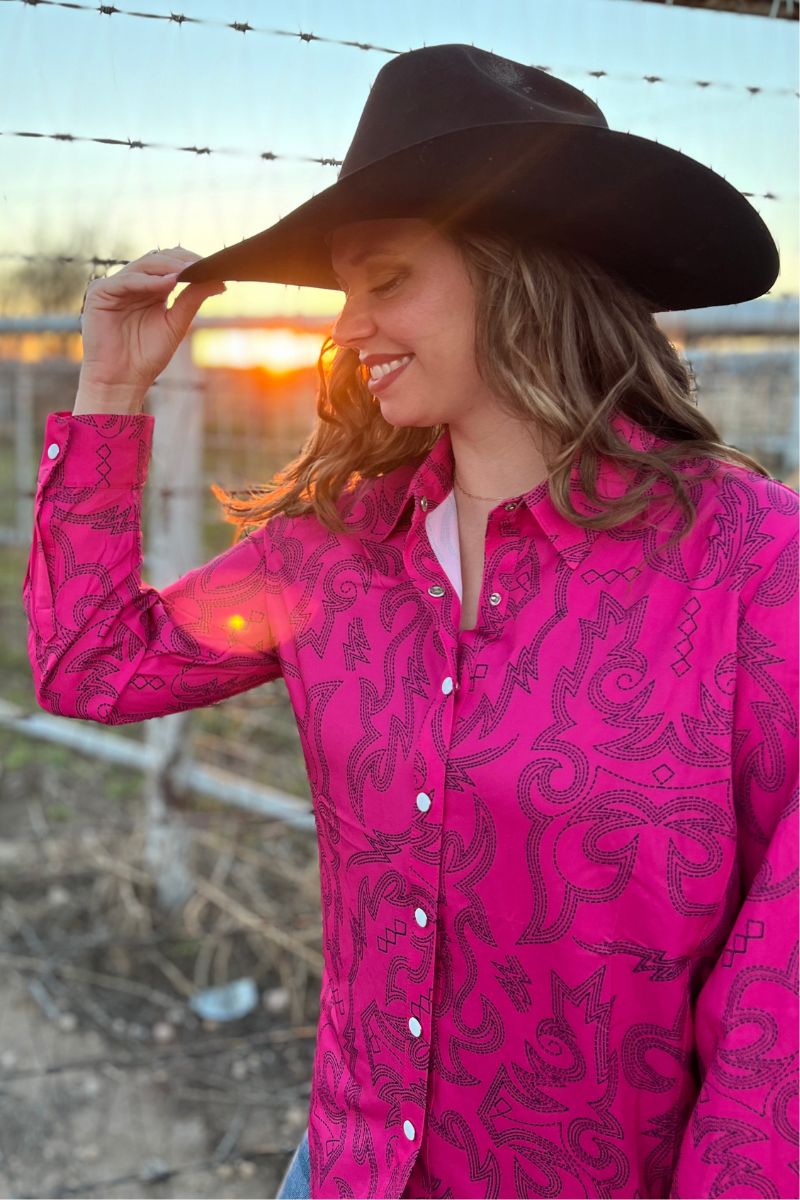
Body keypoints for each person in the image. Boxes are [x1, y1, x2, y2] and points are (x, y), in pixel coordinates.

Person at [22, 43, 797, 1200]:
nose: (348, 327)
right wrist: (110, 396)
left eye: (384, 279)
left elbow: (775, 991)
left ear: (518, 269)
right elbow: (92, 669)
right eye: (341, 290)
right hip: (343, 1173)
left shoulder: (750, 561)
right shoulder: (334, 555)